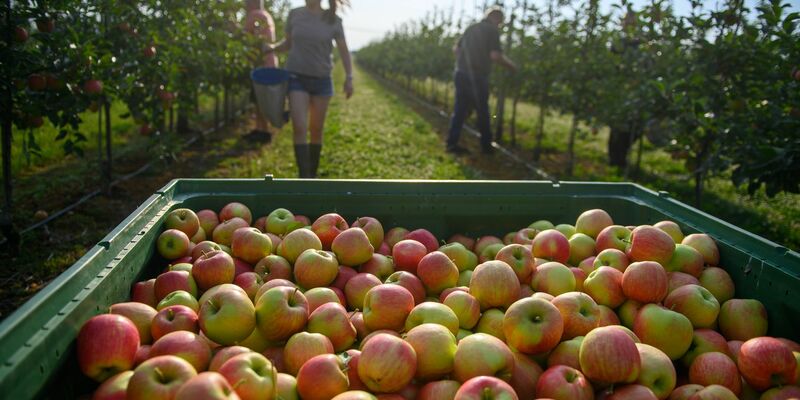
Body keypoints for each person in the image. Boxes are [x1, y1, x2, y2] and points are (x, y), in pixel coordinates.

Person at [265, 0, 354, 178]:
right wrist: (272, 48)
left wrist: (349, 77)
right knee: (299, 126)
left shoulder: (333, 19)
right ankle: (304, 176)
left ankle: (311, 176)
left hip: (322, 81)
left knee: (316, 129)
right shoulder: (295, 14)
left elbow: (344, 51)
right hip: (296, 77)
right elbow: (288, 43)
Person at [446, 7, 517, 155]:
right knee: (483, 112)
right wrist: (512, 67)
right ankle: (486, 146)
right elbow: (495, 56)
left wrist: (463, 64)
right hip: (478, 77)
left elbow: (456, 49)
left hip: (461, 73)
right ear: (497, 18)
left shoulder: (472, 27)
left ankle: (451, 144)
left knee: (460, 110)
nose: (500, 26)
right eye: (500, 23)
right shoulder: (492, 31)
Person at [244, 0, 279, 142]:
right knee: (259, 99)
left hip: (262, 64)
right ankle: (259, 129)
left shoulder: (255, 15)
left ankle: (264, 132)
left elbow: (245, 37)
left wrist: (234, 28)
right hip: (268, 63)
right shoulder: (265, 15)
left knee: (261, 99)